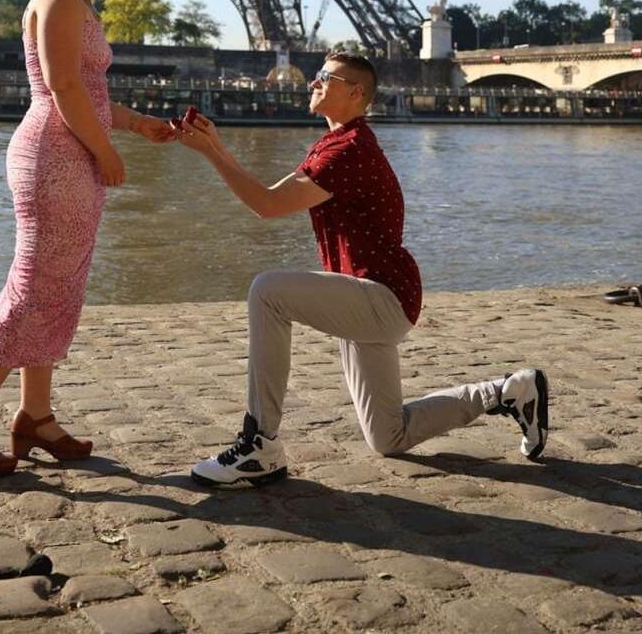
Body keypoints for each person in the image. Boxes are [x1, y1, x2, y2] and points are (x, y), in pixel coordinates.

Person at [175, 52, 549, 487]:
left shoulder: (348, 150)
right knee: (389, 436)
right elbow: (268, 196)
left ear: (355, 93)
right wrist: (214, 145)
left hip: (378, 295)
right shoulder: (339, 143)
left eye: (324, 77)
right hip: (373, 297)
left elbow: (266, 205)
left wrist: (210, 153)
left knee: (267, 292)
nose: (312, 82)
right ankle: (509, 392)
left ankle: (260, 444)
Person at [0, 0, 175, 479]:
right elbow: (64, 88)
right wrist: (106, 153)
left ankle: (35, 418)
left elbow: (86, 92)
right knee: (34, 288)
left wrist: (140, 126)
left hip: (68, 150)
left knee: (57, 287)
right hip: (57, 155)